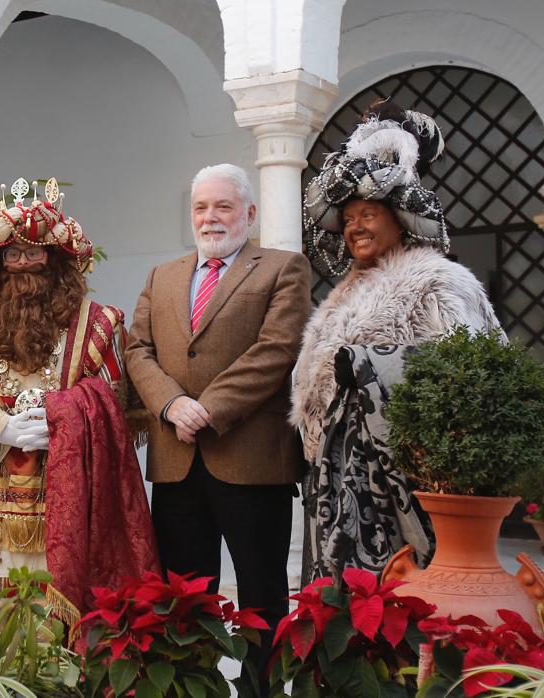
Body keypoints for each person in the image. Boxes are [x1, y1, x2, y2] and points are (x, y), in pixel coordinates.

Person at [292, 101, 503, 581]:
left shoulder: (438, 281)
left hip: (403, 484)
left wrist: (367, 365)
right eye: (347, 219)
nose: (354, 227)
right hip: (334, 483)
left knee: (402, 597)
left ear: (401, 220)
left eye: (368, 214)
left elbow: (464, 370)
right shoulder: (344, 293)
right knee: (342, 610)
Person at [0, 178, 159, 628]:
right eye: (12, 255)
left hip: (69, 484)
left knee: (54, 611)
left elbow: (115, 404)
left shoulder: (100, 325)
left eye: (34, 254)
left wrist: (63, 414)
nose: (22, 264)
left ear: (57, 261)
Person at [124, 164, 311, 687]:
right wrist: (171, 404)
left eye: (223, 206)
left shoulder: (282, 268)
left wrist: (209, 408)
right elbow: (137, 349)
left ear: (249, 214)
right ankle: (191, 686)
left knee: (262, 594)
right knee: (183, 596)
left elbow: (278, 348)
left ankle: (260, 689)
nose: (210, 218)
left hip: (251, 460)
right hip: (177, 460)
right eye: (201, 207)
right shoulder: (162, 277)